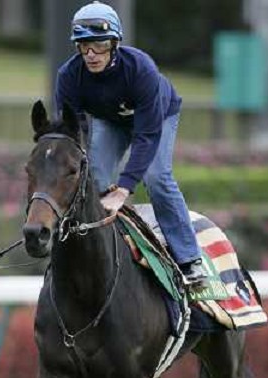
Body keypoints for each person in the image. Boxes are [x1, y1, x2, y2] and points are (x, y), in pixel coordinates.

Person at [54, 1, 207, 287]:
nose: (90, 54)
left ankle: (190, 259)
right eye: (83, 45)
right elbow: (72, 130)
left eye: (98, 44)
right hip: (110, 120)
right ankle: (99, 251)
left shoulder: (141, 69)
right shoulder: (68, 76)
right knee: (94, 177)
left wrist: (124, 188)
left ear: (114, 43)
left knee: (156, 177)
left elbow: (146, 137)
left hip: (155, 117)